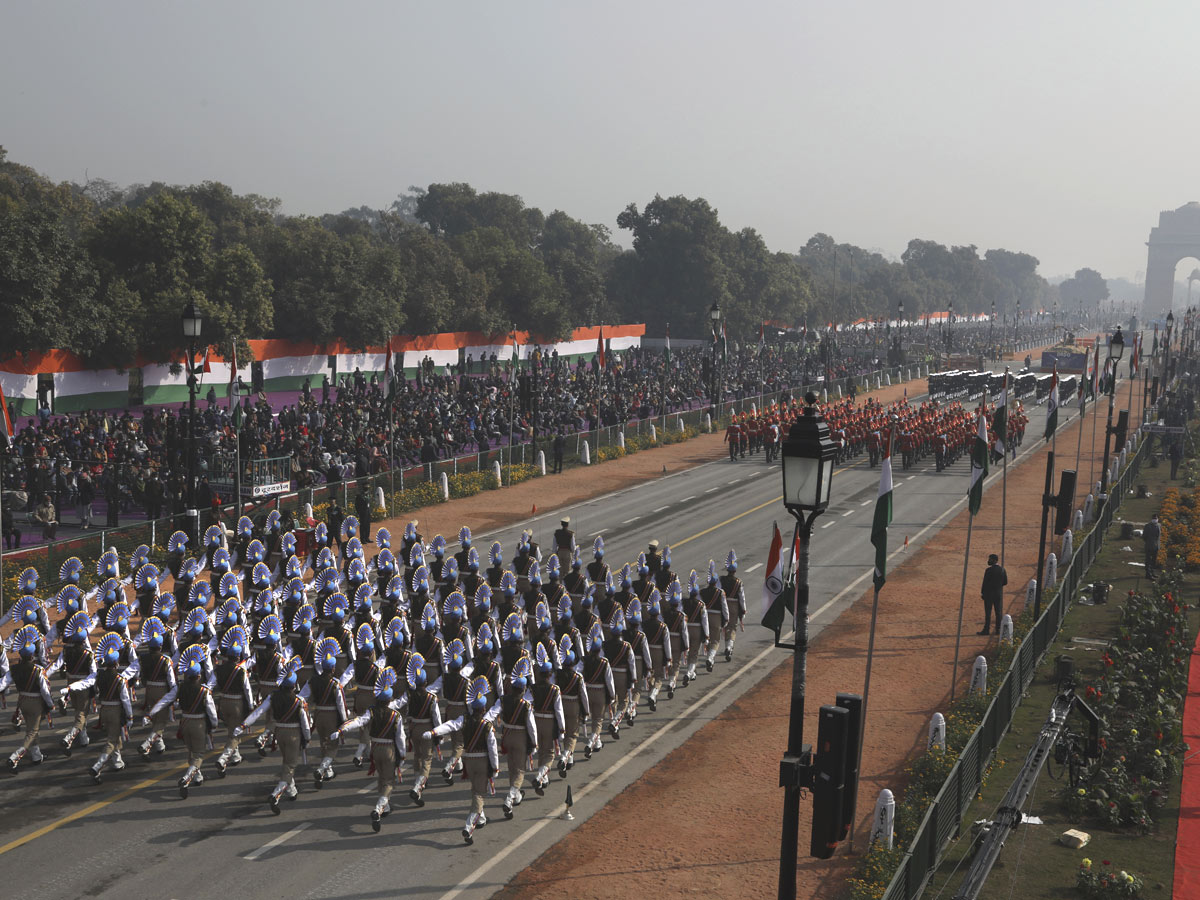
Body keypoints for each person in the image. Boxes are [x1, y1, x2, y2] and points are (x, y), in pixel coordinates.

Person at [978, 553, 1007, 635]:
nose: (989, 560)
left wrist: (983, 593)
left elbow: (985, 583)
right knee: (998, 612)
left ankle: (986, 630)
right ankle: (998, 630)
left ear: (994, 560)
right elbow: (1005, 582)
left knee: (988, 613)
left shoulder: (988, 570)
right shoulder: (1002, 570)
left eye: (990, 559)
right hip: (998, 594)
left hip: (988, 595)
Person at [1144, 514, 1162, 579]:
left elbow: (1159, 536)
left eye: (1156, 518)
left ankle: (1152, 572)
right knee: (1148, 561)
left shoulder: (1159, 525)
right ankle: (1148, 574)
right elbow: (1144, 536)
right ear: (1152, 519)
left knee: (1153, 561)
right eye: (1154, 518)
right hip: (1149, 545)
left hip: (1156, 546)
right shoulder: (1147, 526)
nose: (1155, 520)